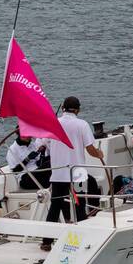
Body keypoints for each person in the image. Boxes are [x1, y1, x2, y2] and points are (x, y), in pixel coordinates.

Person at [42, 96, 105, 251]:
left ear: (63, 108)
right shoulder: (82, 125)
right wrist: (100, 154)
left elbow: (45, 143)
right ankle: (82, 240)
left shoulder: (54, 123)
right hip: (78, 172)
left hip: (58, 172)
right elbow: (90, 149)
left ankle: (46, 242)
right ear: (78, 109)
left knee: (55, 206)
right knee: (79, 204)